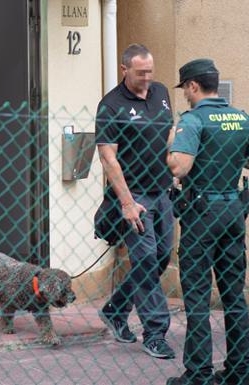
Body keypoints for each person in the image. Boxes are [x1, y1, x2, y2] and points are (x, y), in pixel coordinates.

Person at [165, 59, 249, 385]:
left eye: (185, 89)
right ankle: (239, 371)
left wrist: (170, 145)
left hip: (201, 215)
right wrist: (229, 156)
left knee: (197, 296)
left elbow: (180, 167)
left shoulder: (192, 120)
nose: (184, 96)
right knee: (233, 295)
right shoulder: (242, 117)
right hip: (233, 213)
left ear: (193, 86)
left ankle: (198, 374)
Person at [95, 44, 176, 360]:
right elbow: (107, 157)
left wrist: (175, 172)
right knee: (144, 259)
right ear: (124, 69)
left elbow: (168, 135)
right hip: (134, 195)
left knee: (160, 257)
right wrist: (127, 203)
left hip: (163, 191)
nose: (147, 78)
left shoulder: (161, 92)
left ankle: (116, 311)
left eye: (150, 72)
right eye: (140, 73)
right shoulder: (111, 105)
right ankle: (155, 332)